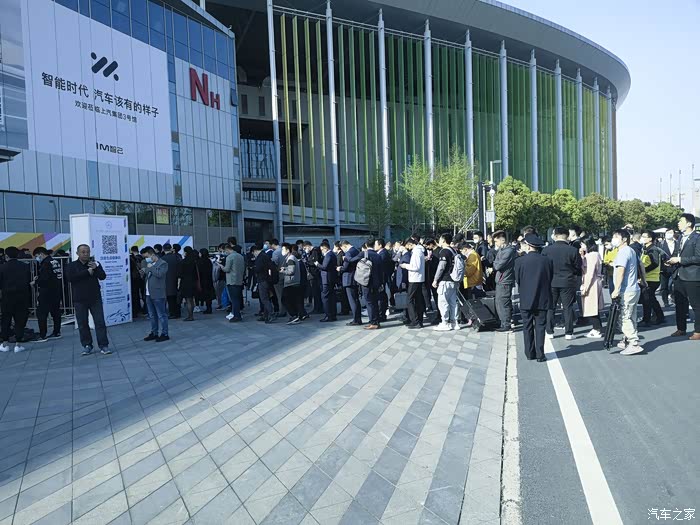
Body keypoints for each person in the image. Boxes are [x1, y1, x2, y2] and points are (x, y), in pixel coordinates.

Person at [66, 244, 111, 355]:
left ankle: (103, 345)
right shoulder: (72, 266)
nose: (86, 254)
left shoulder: (95, 264)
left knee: (100, 322)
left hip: (95, 298)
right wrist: (86, 272)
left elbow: (103, 276)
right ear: (77, 253)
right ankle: (87, 345)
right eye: (83, 252)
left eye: (87, 252)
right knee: (82, 323)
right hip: (79, 299)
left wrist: (96, 268)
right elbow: (71, 278)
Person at [515, 233, 552, 362]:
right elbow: (550, 277)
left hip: (526, 297)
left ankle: (530, 353)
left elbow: (518, 280)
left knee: (527, 326)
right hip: (542, 298)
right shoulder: (547, 260)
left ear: (529, 246)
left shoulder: (519, 261)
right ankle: (540, 354)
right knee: (540, 326)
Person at [543, 226, 582, 340]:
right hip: (568, 281)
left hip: (551, 282)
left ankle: (549, 331)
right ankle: (568, 333)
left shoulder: (546, 250)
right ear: (567, 236)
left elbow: (543, 267)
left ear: (555, 236)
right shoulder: (573, 250)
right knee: (567, 307)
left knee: (551, 307)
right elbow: (578, 267)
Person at [610, 229, 644, 355]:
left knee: (624, 317)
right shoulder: (631, 251)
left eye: (616, 236)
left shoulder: (623, 252)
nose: (613, 239)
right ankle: (627, 340)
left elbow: (621, 271)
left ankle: (633, 343)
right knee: (631, 317)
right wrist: (644, 281)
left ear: (624, 239)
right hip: (634, 289)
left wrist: (616, 289)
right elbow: (641, 265)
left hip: (626, 290)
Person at [667, 213, 700, 340]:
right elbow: (676, 253)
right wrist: (671, 260)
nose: (678, 223)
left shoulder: (697, 238)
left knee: (696, 305)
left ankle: (698, 331)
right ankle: (681, 328)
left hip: (693, 276)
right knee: (680, 304)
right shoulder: (680, 238)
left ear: (689, 223)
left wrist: (680, 259)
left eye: (681, 221)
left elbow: (698, 257)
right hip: (678, 275)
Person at [0, 247, 31, 353]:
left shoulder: (2, 267)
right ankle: (18, 344)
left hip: (7, 297)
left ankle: (5, 343)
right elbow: (28, 280)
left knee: (6, 320)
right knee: (20, 320)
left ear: (6, 256)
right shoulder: (24, 266)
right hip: (22, 296)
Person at [33, 247, 63, 342]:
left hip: (46, 292)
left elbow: (44, 279)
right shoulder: (54, 261)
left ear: (41, 254)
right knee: (56, 312)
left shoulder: (45, 263)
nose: (37, 258)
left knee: (42, 313)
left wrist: (35, 282)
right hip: (56, 290)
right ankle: (57, 332)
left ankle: (42, 335)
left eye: (37, 256)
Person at [488, 231, 516, 333]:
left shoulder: (508, 251)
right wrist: (496, 261)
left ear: (502, 240)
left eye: (496, 241)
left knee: (503, 302)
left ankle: (506, 324)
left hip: (505, 280)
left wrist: (496, 262)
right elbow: (496, 262)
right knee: (500, 302)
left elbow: (497, 265)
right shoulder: (502, 250)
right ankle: (504, 322)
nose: (495, 244)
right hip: (501, 280)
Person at [432, 233, 459, 331]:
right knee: (453, 302)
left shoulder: (444, 251)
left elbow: (441, 267)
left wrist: (435, 279)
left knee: (443, 302)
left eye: (440, 239)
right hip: (453, 280)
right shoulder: (453, 251)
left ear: (443, 240)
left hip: (445, 280)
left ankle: (445, 323)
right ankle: (454, 322)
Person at [142, 247, 169, 342]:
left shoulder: (163, 263)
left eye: (147, 257)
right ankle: (154, 332)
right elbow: (146, 274)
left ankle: (165, 333)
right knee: (152, 315)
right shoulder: (149, 264)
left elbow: (159, 274)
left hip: (158, 293)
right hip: (148, 293)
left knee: (161, 315)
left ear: (152, 255)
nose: (146, 259)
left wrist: (151, 267)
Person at [639, 230, 666, 326]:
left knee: (648, 300)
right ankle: (658, 316)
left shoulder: (653, 249)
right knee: (650, 299)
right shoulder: (645, 249)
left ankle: (648, 319)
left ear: (650, 239)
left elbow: (655, 263)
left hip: (652, 279)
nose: (642, 238)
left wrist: (643, 271)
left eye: (644, 236)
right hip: (647, 278)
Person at [580, 240, 605, 338]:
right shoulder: (596, 254)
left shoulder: (591, 256)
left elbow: (589, 272)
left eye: (583, 244)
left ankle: (596, 329)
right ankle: (597, 328)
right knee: (594, 307)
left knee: (591, 307)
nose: (581, 246)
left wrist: (585, 287)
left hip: (591, 283)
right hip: (596, 281)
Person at [400, 237, 425, 329]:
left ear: (410, 244)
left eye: (407, 246)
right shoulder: (419, 251)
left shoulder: (416, 252)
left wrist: (405, 266)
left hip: (415, 279)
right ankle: (418, 320)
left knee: (409, 300)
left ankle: (415, 320)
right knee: (418, 300)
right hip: (418, 278)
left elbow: (415, 267)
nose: (408, 248)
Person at [362, 239, 384, 330]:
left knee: (369, 302)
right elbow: (381, 270)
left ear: (366, 245)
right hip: (376, 282)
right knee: (374, 302)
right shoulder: (378, 255)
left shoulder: (365, 254)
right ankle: (376, 321)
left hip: (367, 281)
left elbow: (352, 260)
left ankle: (373, 322)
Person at [280, 243, 304, 324]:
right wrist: (285, 268)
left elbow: (291, 271)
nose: (282, 251)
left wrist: (283, 270)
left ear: (287, 250)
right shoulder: (291, 258)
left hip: (291, 283)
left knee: (285, 300)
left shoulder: (290, 258)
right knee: (292, 300)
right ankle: (295, 316)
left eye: (283, 249)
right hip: (293, 282)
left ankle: (294, 315)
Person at [340, 240, 363, 326]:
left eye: (342, 248)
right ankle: (358, 318)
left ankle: (356, 319)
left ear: (344, 246)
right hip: (355, 277)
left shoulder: (348, 253)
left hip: (348, 279)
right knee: (356, 299)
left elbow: (345, 267)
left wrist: (340, 268)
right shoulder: (356, 250)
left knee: (352, 300)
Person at [221, 243, 245, 322]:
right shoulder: (240, 256)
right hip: (239, 279)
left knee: (234, 299)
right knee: (237, 298)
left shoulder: (229, 257)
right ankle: (238, 314)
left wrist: (221, 266)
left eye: (225, 251)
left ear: (227, 249)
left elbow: (227, 269)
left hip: (231, 280)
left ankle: (236, 315)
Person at [253, 242, 276, 323]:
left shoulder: (260, 257)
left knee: (264, 298)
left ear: (255, 251)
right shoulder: (265, 255)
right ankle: (265, 315)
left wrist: (254, 268)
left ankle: (271, 314)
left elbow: (258, 269)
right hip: (267, 279)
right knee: (266, 297)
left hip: (262, 279)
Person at [316, 241, 338, 322]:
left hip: (327, 279)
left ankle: (328, 315)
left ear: (325, 248)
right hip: (331, 278)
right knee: (331, 297)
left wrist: (317, 264)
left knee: (325, 297)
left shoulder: (328, 255)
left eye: (322, 249)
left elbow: (324, 267)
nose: (322, 251)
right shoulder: (332, 254)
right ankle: (333, 315)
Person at [375, 239, 393, 322]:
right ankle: (381, 313)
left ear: (380, 245)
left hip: (382, 278)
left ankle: (381, 314)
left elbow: (381, 268)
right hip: (382, 278)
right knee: (382, 296)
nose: (374, 246)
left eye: (376, 244)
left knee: (381, 296)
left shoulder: (383, 254)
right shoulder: (381, 253)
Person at [161, 244, 181, 319]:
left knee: (170, 299)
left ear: (163, 249)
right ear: (171, 248)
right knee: (177, 297)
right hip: (177, 279)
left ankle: (172, 313)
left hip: (166, 281)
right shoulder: (177, 257)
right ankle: (178, 313)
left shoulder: (162, 259)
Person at [303, 241, 323, 314]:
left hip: (315, 274)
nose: (305, 250)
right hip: (313, 275)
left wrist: (307, 261)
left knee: (316, 292)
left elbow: (315, 262)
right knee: (315, 292)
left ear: (308, 246)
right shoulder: (312, 252)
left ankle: (318, 308)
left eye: (305, 248)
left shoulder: (315, 251)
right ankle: (317, 308)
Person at [179, 247, 199, 321]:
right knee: (191, 299)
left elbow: (180, 273)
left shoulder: (183, 262)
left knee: (188, 300)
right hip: (193, 281)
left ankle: (190, 316)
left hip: (185, 282)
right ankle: (191, 315)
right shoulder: (194, 261)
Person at [659, 230, 677, 307]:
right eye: (668, 233)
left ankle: (674, 298)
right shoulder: (661, 244)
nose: (669, 234)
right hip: (664, 268)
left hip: (675, 267)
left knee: (674, 285)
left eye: (671, 233)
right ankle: (665, 301)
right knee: (664, 286)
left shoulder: (678, 243)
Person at [196, 248, 215, 314]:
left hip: (202, 280)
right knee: (208, 295)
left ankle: (204, 307)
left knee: (204, 294)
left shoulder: (199, 261)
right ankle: (209, 308)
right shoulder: (208, 261)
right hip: (209, 280)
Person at [129, 246, 144, 317]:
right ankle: (139, 309)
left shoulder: (130, 258)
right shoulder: (141, 257)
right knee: (138, 294)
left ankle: (135, 311)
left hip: (133, 279)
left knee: (134, 295)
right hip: (139, 278)